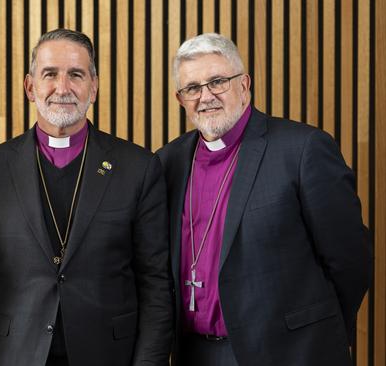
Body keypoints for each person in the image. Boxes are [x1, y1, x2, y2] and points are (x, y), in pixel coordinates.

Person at [0, 28, 172, 366]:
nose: (63, 88)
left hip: (109, 354)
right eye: (50, 74)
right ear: (30, 86)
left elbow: (156, 284)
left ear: (94, 87)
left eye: (76, 75)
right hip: (15, 355)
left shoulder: (138, 168)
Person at [156, 32, 372, 366]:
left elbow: (350, 260)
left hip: (291, 353)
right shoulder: (167, 162)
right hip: (195, 353)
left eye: (217, 82)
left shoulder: (302, 149)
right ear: (180, 98)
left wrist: (320, 333)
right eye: (192, 88)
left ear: (244, 85)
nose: (206, 96)